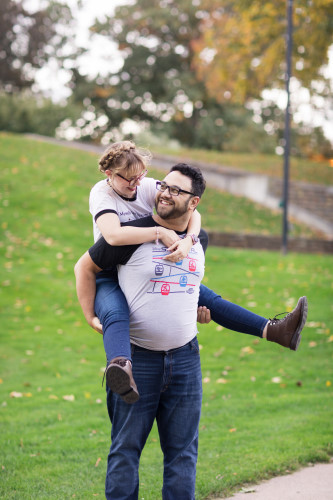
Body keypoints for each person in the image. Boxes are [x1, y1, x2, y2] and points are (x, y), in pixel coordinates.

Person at [74, 164, 308, 500]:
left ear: (194, 202)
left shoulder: (200, 239)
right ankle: (271, 330)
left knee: (183, 454)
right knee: (125, 451)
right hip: (138, 360)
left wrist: (193, 311)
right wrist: (90, 314)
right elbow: (86, 267)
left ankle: (273, 330)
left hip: (185, 361)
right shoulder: (131, 233)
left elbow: (189, 286)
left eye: (175, 190)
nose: (164, 193)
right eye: (163, 187)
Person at [85, 141, 308, 404]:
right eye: (128, 179)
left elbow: (192, 208)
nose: (136, 184)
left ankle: (274, 331)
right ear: (109, 174)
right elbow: (111, 236)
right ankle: (120, 367)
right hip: (109, 267)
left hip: (138, 264)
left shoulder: (145, 185)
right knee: (116, 313)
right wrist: (90, 315)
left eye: (140, 177)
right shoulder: (102, 194)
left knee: (209, 299)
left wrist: (190, 239)